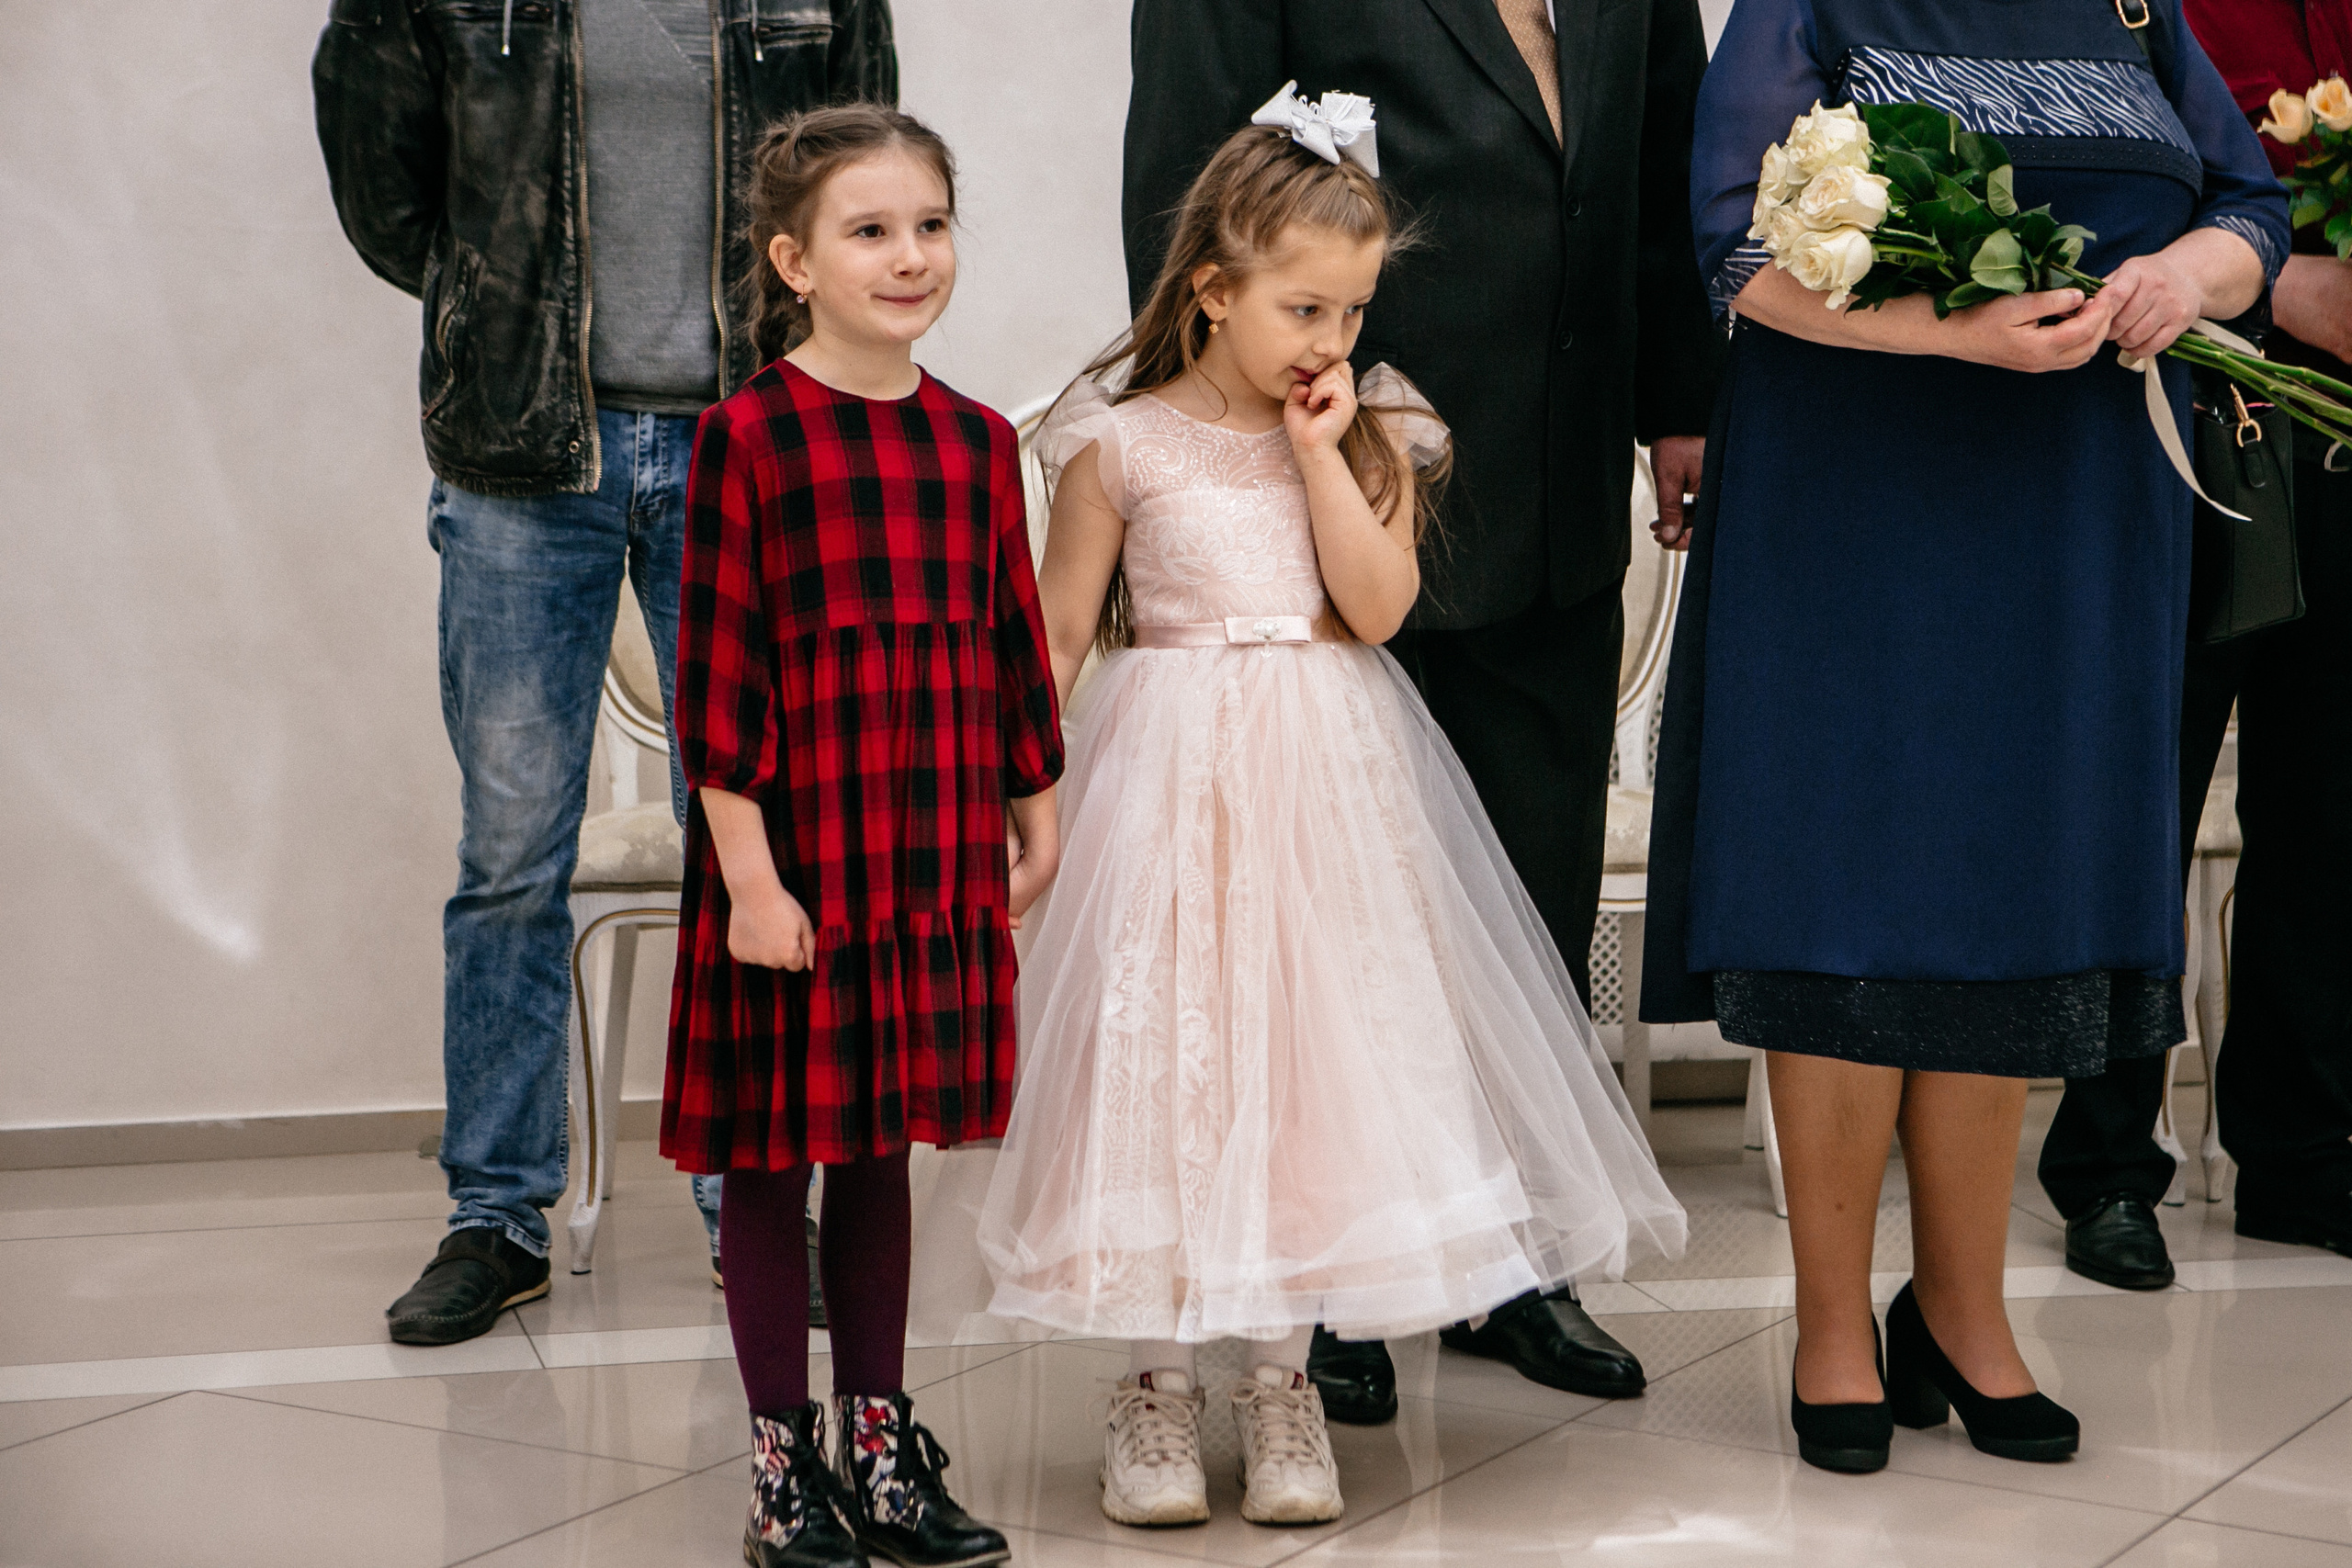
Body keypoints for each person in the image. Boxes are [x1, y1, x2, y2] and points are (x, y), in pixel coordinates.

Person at [977, 106, 1684, 1530]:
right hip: (1160, 776)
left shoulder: (1374, 426)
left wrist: (1323, 453)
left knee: (1307, 1069)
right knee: (1160, 1058)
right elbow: (1054, 640)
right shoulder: (1115, 444)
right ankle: (1153, 1390)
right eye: (1304, 307)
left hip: (1325, 778)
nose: (1330, 337)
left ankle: (1281, 1381)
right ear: (1212, 290)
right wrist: (1018, 791)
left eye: (1353, 309)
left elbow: (1376, 610)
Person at [1647, 0, 2288, 1473]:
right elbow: (1737, 248)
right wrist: (1959, 327)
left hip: (2073, 522)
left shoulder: (2135, 8)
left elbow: (2250, 199)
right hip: (1855, 513)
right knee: (1842, 893)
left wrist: (2184, 279)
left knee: (2014, 891)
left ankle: (1963, 1315)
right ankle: (1827, 1327)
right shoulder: (1810, 7)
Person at [1123, 0, 1724, 1424]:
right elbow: (1184, 185)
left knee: (1536, 889)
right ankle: (1331, 1286)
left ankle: (1512, 1264)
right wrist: (1227, 453)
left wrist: (1680, 403)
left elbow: (1656, 175)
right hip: (1343, 491)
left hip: (1560, 489)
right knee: (1335, 921)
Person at [312, 0, 896, 1346]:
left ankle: (739, 1210)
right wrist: (491, 301)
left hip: (750, 451)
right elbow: (381, 181)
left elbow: (864, 166)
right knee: (511, 853)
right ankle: (496, 1217)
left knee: (746, 841)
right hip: (522, 459)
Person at [662, 107, 1057, 1568]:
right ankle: (783, 1469)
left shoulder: (973, 443)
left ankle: (882, 1448)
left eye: (930, 226)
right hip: (795, 865)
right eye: (870, 231)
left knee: (883, 1151)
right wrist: (751, 883)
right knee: (773, 1162)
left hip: (927, 849)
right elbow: (720, 685)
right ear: (796, 261)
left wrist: (1037, 807)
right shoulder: (746, 439)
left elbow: (1016, 645)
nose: (909, 257)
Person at [2040, 0, 2352, 1288]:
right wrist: (2287, 278)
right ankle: (2107, 1164)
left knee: (2330, 807)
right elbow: (2097, 191)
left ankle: (2301, 1154)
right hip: (2177, 423)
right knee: (2141, 795)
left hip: (2338, 443)